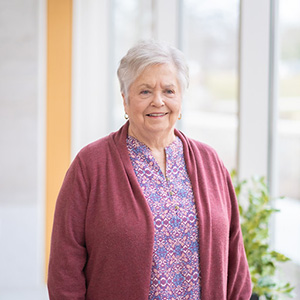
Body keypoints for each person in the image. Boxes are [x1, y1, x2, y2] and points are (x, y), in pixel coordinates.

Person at [48, 40, 252, 300]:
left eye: (168, 90)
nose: (158, 101)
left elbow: (236, 261)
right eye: (145, 92)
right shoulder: (91, 165)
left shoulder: (209, 161)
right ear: (125, 99)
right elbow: (65, 267)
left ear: (180, 98)